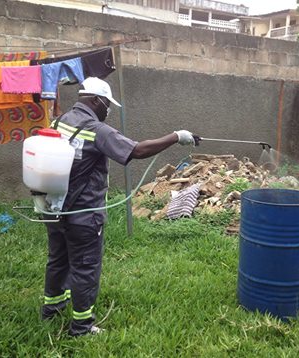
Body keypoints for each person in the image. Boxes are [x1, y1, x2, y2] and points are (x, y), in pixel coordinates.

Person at [41, 77, 196, 337]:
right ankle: (81, 327)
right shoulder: (96, 130)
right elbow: (137, 150)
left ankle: (51, 309)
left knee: (58, 259)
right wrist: (176, 136)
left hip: (55, 207)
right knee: (85, 267)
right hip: (84, 214)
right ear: (96, 100)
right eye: (107, 105)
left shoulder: (60, 121)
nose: (108, 111)